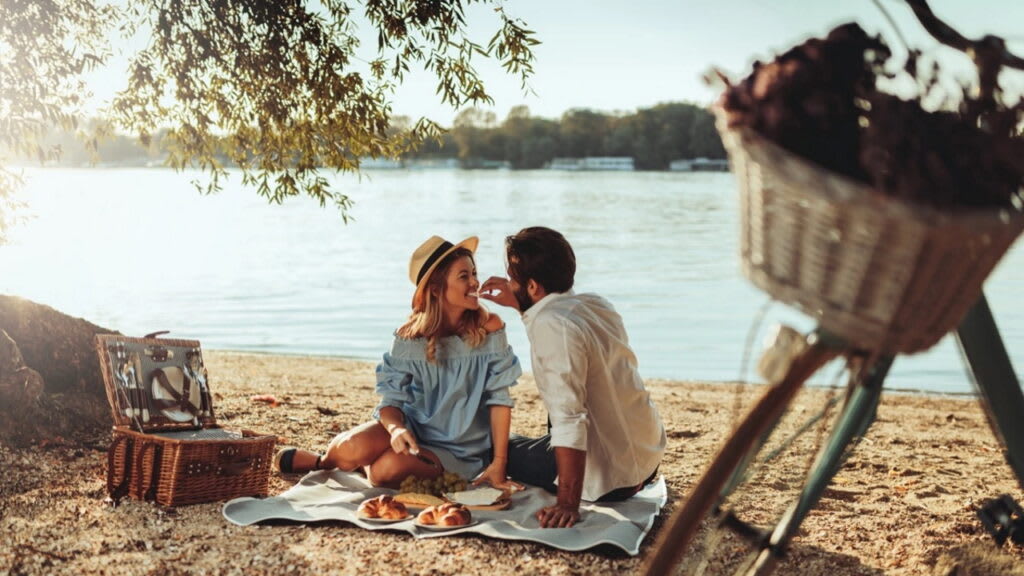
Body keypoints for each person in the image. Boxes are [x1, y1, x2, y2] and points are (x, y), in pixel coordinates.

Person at [275, 235, 523, 491]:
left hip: (458, 449)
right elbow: (391, 403)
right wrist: (395, 430)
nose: (474, 282)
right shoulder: (408, 338)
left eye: (474, 273)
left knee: (386, 472)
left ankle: (363, 464)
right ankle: (323, 463)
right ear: (436, 289)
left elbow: (499, 399)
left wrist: (499, 463)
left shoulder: (490, 328)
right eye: (464, 276)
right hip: (409, 431)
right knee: (351, 447)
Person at [480, 226, 666, 528]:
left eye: (514, 279)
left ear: (533, 287)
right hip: (645, 460)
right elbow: (551, 320)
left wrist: (567, 503)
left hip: (612, 480)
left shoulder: (552, 326)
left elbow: (569, 418)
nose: (508, 283)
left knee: (489, 445)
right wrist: (519, 300)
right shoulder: (594, 305)